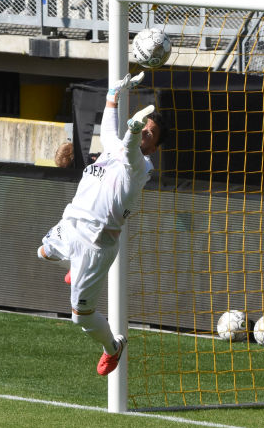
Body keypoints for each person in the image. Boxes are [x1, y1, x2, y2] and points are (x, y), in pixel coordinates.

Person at [37, 71, 168, 376]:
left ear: (154, 147)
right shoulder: (113, 149)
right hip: (70, 225)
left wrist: (135, 129)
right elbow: (111, 129)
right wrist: (113, 94)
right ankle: (71, 265)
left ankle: (114, 347)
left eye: (150, 133)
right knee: (42, 252)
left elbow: (131, 147)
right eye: (143, 129)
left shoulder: (139, 168)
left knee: (81, 318)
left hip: (96, 244)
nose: (143, 133)